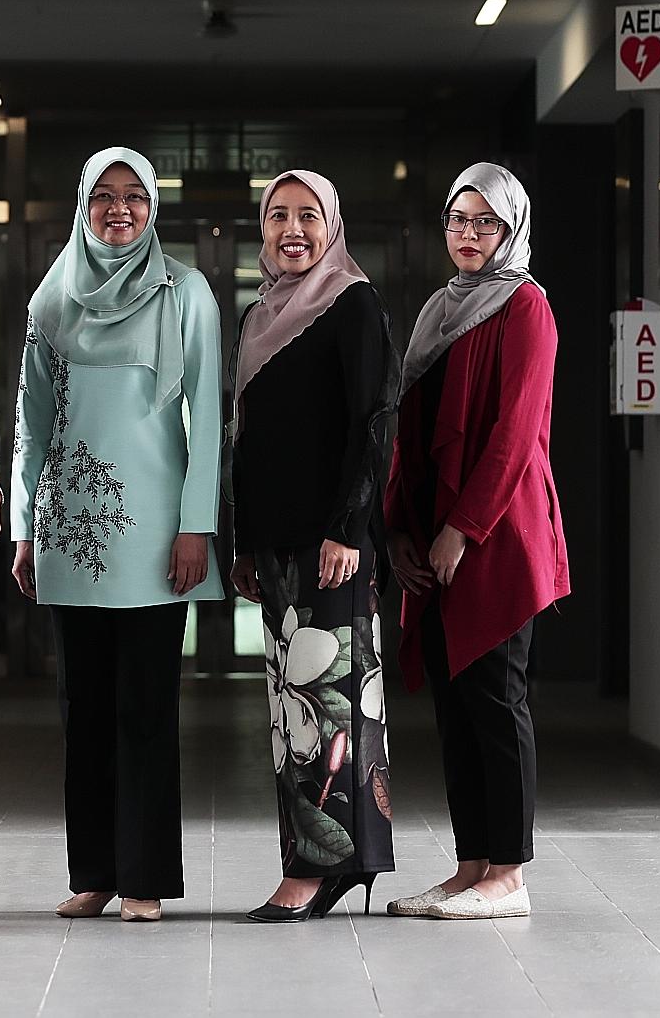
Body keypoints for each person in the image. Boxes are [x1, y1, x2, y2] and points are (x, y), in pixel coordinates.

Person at [10, 146, 224, 923]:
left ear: (153, 209)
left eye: (135, 195)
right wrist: (22, 527)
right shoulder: (50, 300)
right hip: (69, 533)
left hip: (159, 536)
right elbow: (31, 425)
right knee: (84, 710)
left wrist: (197, 526)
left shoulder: (189, 293)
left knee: (145, 710)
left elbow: (207, 417)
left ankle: (143, 879)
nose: (120, 209)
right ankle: (94, 872)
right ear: (82, 203)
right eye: (104, 195)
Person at [383, 162, 569, 920]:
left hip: (497, 534)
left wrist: (464, 529)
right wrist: (400, 524)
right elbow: (408, 426)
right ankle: (471, 866)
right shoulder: (441, 308)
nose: (468, 234)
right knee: (457, 702)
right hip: (434, 538)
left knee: (496, 696)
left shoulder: (526, 308)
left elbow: (515, 435)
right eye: (457, 220)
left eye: (484, 222)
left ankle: (511, 872)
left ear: (510, 229)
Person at [229, 170, 397, 922]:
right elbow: (247, 441)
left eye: (307, 216)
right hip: (275, 546)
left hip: (331, 542)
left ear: (332, 224)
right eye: (278, 217)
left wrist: (348, 529)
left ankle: (321, 867)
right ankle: (326, 861)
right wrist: (243, 542)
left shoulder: (352, 303)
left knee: (330, 706)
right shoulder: (257, 313)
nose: (292, 229)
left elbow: (373, 423)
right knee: (289, 711)